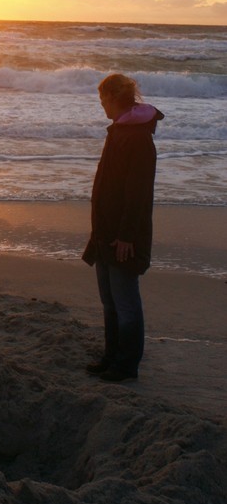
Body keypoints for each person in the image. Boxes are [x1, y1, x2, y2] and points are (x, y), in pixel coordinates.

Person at [82, 73, 164, 382]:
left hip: (124, 235)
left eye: (103, 98)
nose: (101, 103)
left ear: (115, 99)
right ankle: (111, 356)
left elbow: (138, 193)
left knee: (126, 302)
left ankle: (127, 364)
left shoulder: (139, 137)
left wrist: (127, 236)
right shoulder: (118, 131)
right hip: (105, 230)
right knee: (109, 300)